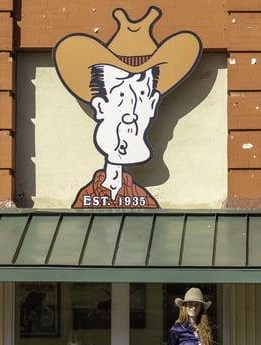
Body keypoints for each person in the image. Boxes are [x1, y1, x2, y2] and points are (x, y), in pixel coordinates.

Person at [53, 6, 202, 209]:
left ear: (152, 104)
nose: (130, 115)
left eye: (140, 96)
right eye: (121, 96)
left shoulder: (144, 202)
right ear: (100, 106)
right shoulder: (87, 199)